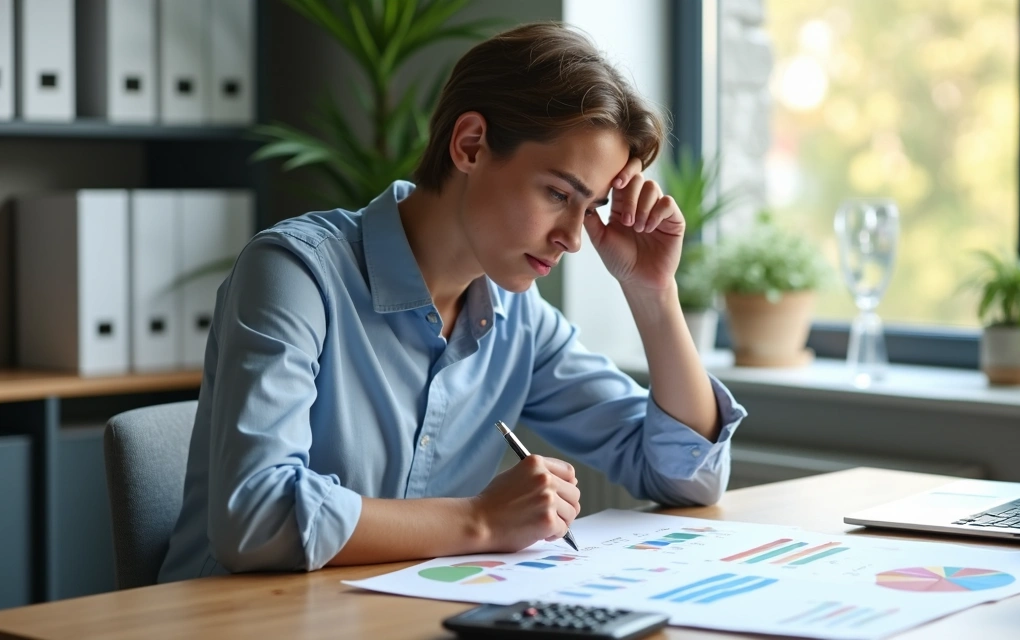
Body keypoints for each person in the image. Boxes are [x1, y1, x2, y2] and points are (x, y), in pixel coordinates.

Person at [158, 21, 746, 583]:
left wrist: (653, 294)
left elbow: (685, 476)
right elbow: (255, 517)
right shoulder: (295, 275)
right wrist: (481, 520)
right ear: (470, 145)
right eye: (557, 193)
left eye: (590, 208)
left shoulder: (520, 323)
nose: (572, 237)